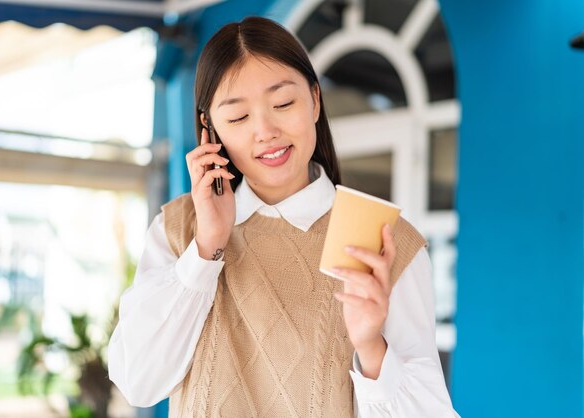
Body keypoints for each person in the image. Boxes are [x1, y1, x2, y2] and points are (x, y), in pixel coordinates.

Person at [108, 16, 460, 418]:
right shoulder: (178, 229)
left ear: (315, 99)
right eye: (238, 117)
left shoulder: (382, 241)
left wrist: (370, 346)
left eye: (283, 104)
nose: (265, 130)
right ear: (210, 129)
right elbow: (138, 382)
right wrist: (205, 251)